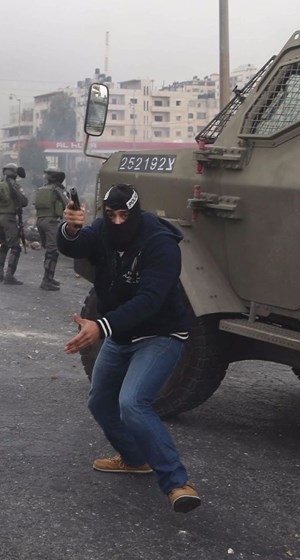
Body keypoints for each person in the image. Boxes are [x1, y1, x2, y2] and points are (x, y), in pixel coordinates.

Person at [58, 183, 201, 513]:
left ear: (136, 212)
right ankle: (135, 460)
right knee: (99, 402)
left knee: (133, 403)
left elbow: (149, 300)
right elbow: (74, 246)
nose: (118, 222)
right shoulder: (103, 230)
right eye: (111, 215)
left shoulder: (161, 243)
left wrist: (101, 326)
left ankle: (178, 483)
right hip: (121, 336)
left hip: (161, 335)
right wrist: (71, 228)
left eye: (125, 215)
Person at [0, 162, 28, 285]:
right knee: (15, 247)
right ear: (15, 173)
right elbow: (24, 201)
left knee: (3, 245)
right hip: (10, 218)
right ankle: (9, 275)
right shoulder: (15, 186)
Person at [33, 169, 68, 291]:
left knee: (49, 250)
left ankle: (49, 278)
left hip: (40, 220)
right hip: (51, 221)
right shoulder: (57, 190)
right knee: (52, 252)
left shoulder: (42, 189)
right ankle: (46, 280)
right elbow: (67, 203)